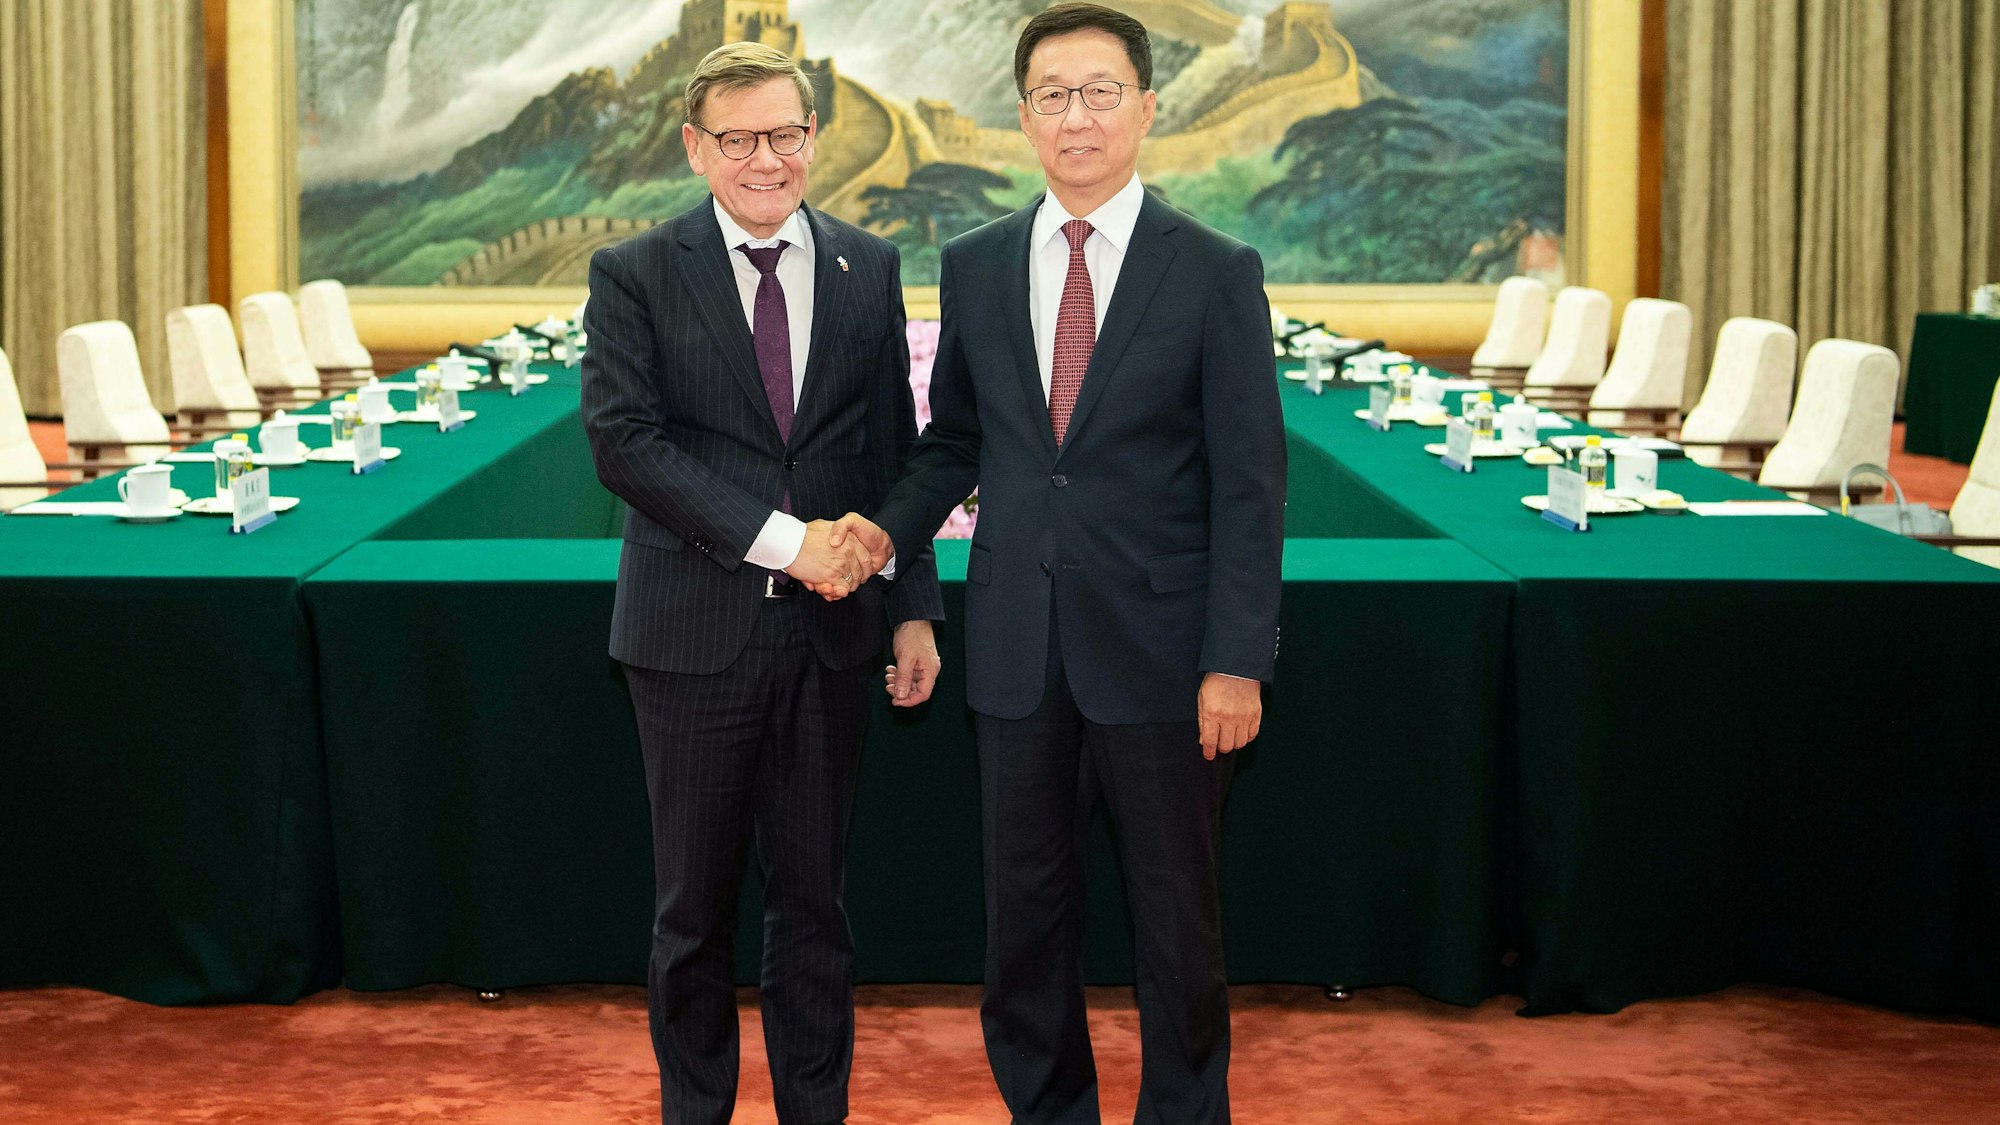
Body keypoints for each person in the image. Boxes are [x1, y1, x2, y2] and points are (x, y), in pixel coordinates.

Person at [834, 5, 1285, 1121]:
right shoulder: (979, 264)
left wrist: (1237, 661)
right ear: (1022, 113)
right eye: (1050, 93)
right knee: (1022, 928)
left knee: (1177, 926)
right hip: (1016, 655)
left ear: (1143, 106)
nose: (1073, 115)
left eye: (1097, 91)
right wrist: (885, 534)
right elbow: (954, 442)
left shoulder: (1215, 270)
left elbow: (1249, 481)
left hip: (1164, 656)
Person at [580, 41, 944, 1125]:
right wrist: (787, 543)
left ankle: (812, 1113)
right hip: (692, 636)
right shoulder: (633, 271)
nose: (764, 158)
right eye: (737, 138)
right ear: (696, 148)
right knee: (693, 915)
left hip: (836, 640)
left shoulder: (867, 266)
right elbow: (625, 446)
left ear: (812, 139)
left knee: (816, 909)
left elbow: (896, 449)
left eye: (784, 134)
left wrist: (913, 606)